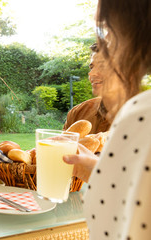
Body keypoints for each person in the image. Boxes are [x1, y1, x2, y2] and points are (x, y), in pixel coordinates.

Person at [63, 0, 151, 239]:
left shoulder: (139, 115)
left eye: (109, 33)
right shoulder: (79, 112)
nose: (93, 74)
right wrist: (99, 170)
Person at [63, 43, 116, 134]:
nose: (91, 73)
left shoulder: (143, 116)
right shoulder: (78, 113)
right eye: (91, 67)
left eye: (102, 66)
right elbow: (61, 145)